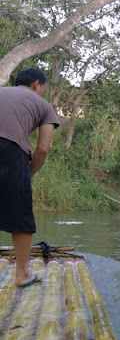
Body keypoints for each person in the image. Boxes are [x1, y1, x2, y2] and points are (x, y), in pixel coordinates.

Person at [0, 69, 59, 287]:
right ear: (36, 84)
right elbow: (43, 149)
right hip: (9, 149)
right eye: (45, 88)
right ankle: (22, 274)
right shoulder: (44, 106)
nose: (44, 93)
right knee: (20, 216)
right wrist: (28, 175)